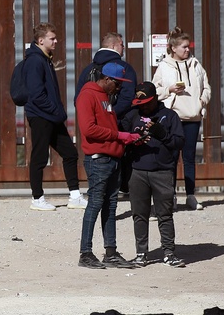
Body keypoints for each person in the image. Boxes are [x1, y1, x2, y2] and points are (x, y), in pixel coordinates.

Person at [76, 62, 138, 269]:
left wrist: (123, 139)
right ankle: (85, 253)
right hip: (98, 158)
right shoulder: (88, 95)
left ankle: (110, 252)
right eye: (118, 83)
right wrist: (119, 135)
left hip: (112, 157)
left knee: (110, 206)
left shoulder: (105, 98)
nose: (120, 88)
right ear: (107, 79)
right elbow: (89, 129)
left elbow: (104, 127)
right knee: (95, 203)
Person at [20, 23, 86, 211]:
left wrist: (56, 112)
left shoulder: (44, 58)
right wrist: (55, 111)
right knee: (39, 157)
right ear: (41, 40)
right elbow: (36, 94)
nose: (56, 41)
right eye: (52, 38)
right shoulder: (35, 60)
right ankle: (37, 199)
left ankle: (75, 196)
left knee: (70, 153)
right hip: (41, 116)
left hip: (51, 116)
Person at [120, 82, 186, 268]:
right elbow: (121, 138)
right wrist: (134, 139)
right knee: (139, 214)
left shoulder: (170, 116)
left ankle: (169, 253)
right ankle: (141, 253)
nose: (144, 106)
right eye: (140, 103)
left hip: (162, 172)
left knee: (165, 214)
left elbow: (179, 142)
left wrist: (162, 134)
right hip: (137, 171)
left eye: (147, 102)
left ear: (156, 99)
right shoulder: (132, 115)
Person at [151, 26, 211, 211]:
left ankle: (191, 195)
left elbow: (207, 87)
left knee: (189, 157)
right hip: (173, 117)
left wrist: (202, 101)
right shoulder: (164, 66)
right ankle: (172, 196)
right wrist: (169, 90)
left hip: (192, 116)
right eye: (184, 47)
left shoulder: (195, 64)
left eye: (188, 46)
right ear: (173, 48)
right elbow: (154, 90)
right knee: (171, 158)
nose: (187, 49)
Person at [74, 32, 139, 195]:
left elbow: (78, 98)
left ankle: (100, 190)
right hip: (118, 122)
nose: (123, 48)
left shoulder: (88, 69)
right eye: (122, 44)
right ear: (113, 46)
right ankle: (122, 188)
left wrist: (96, 116)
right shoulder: (124, 68)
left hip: (95, 127)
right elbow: (128, 97)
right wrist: (109, 115)